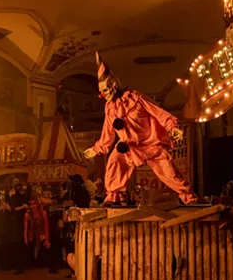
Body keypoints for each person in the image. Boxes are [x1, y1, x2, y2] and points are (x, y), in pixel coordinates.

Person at [83, 52, 198, 205]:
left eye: (105, 89)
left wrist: (172, 127)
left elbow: (157, 112)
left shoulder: (136, 98)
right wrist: (96, 149)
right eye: (101, 91)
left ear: (113, 85)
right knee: (114, 161)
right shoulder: (110, 108)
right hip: (128, 146)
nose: (102, 94)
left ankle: (188, 197)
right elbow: (108, 133)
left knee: (169, 171)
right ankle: (115, 197)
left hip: (150, 143)